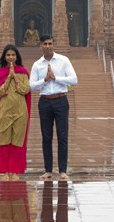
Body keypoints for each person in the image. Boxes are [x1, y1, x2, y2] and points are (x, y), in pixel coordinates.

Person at [29, 35, 78, 181]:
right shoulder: (37, 64)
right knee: (46, 137)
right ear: (40, 46)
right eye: (45, 44)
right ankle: (48, 170)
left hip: (61, 100)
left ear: (54, 45)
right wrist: (44, 80)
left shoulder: (63, 61)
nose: (48, 46)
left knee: (63, 136)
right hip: (45, 101)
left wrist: (55, 78)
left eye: (50, 43)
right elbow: (30, 86)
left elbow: (74, 79)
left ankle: (62, 170)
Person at [0, 44, 32, 180]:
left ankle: (16, 171)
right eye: (8, 55)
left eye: (13, 55)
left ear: (17, 56)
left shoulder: (23, 72)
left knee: (18, 141)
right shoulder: (1, 73)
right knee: (3, 140)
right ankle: (5, 171)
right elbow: (0, 92)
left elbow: (25, 90)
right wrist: (9, 77)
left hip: (20, 110)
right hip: (4, 110)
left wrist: (16, 77)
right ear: (4, 57)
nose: (11, 57)